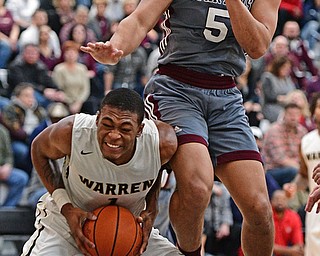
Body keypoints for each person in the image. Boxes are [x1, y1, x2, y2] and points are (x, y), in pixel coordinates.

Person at [80, 0, 281, 255]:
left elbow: (258, 46)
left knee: (260, 208)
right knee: (197, 186)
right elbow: (141, 19)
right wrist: (116, 45)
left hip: (226, 95)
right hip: (176, 86)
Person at [21, 88, 183, 255]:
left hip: (128, 230)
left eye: (125, 129)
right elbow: (38, 149)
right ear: (97, 119)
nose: (114, 135)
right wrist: (65, 205)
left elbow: (159, 166)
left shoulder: (162, 143)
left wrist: (151, 206)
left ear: (140, 130)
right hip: (66, 225)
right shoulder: (72, 131)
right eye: (107, 125)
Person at [284, 92, 320, 256]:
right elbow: (304, 175)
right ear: (313, 111)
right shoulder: (306, 141)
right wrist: (294, 185)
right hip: (314, 207)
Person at [261, 102, 308, 187]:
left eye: (297, 114)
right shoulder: (274, 130)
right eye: (290, 114)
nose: (293, 117)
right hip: (273, 171)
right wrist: (302, 169)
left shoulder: (303, 131)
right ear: (284, 114)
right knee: (294, 172)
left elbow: (306, 155)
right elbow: (280, 159)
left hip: (296, 168)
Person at [0, 123, 29, 207]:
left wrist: (8, 166)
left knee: (21, 178)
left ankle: (7, 209)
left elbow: (9, 154)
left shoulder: (2, 130)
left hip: (3, 168)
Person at [271, 189, 304, 256]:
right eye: (277, 199)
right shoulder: (265, 216)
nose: (280, 201)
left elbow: (298, 245)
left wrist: (296, 250)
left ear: (287, 201)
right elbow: (264, 246)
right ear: (271, 201)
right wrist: (290, 251)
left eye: (283, 199)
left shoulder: (293, 217)